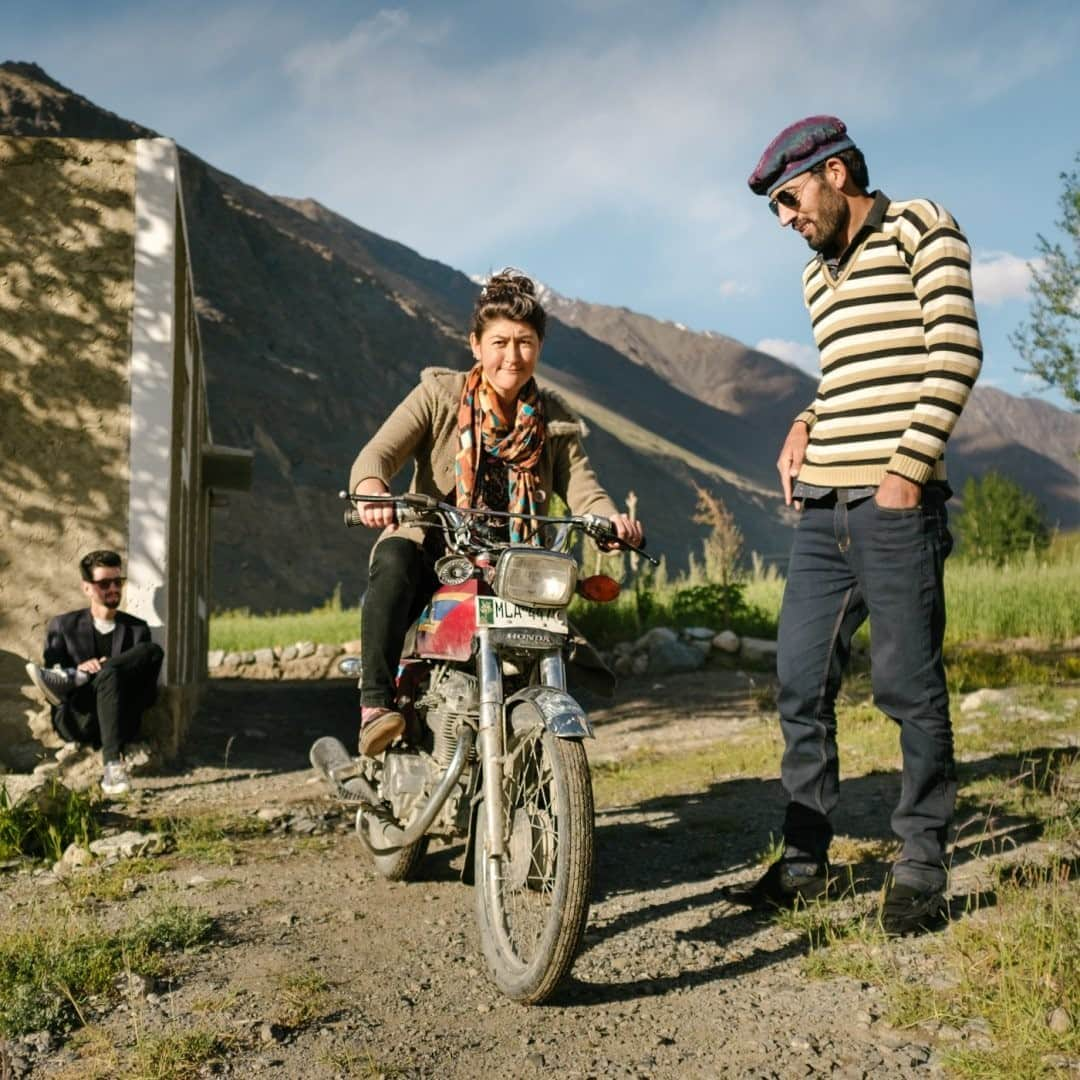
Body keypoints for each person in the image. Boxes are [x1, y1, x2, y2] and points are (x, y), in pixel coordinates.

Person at [724, 117, 982, 935]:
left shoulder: (920, 225)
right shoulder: (815, 279)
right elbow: (846, 377)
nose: (786, 219)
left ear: (835, 174)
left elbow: (954, 351)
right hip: (821, 512)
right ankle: (804, 861)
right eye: (773, 209)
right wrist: (805, 418)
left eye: (789, 199)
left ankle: (920, 863)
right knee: (800, 683)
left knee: (909, 686)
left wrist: (907, 472)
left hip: (894, 506)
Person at [349, 268, 644, 757]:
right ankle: (376, 705)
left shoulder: (554, 420)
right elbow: (377, 454)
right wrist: (373, 488)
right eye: (501, 341)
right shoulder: (439, 395)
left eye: (525, 342)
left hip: (515, 562)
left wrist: (610, 521)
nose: (513, 355)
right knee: (395, 560)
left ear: (539, 347)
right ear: (476, 345)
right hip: (439, 551)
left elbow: (585, 490)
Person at [25, 549, 164, 796]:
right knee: (106, 674)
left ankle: (80, 676)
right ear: (87, 588)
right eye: (104, 583)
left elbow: (145, 692)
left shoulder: (136, 629)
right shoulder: (64, 626)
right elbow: (53, 688)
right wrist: (78, 669)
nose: (113, 588)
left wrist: (101, 668)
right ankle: (113, 765)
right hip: (80, 717)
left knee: (150, 650)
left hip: (123, 717)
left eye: (117, 581)